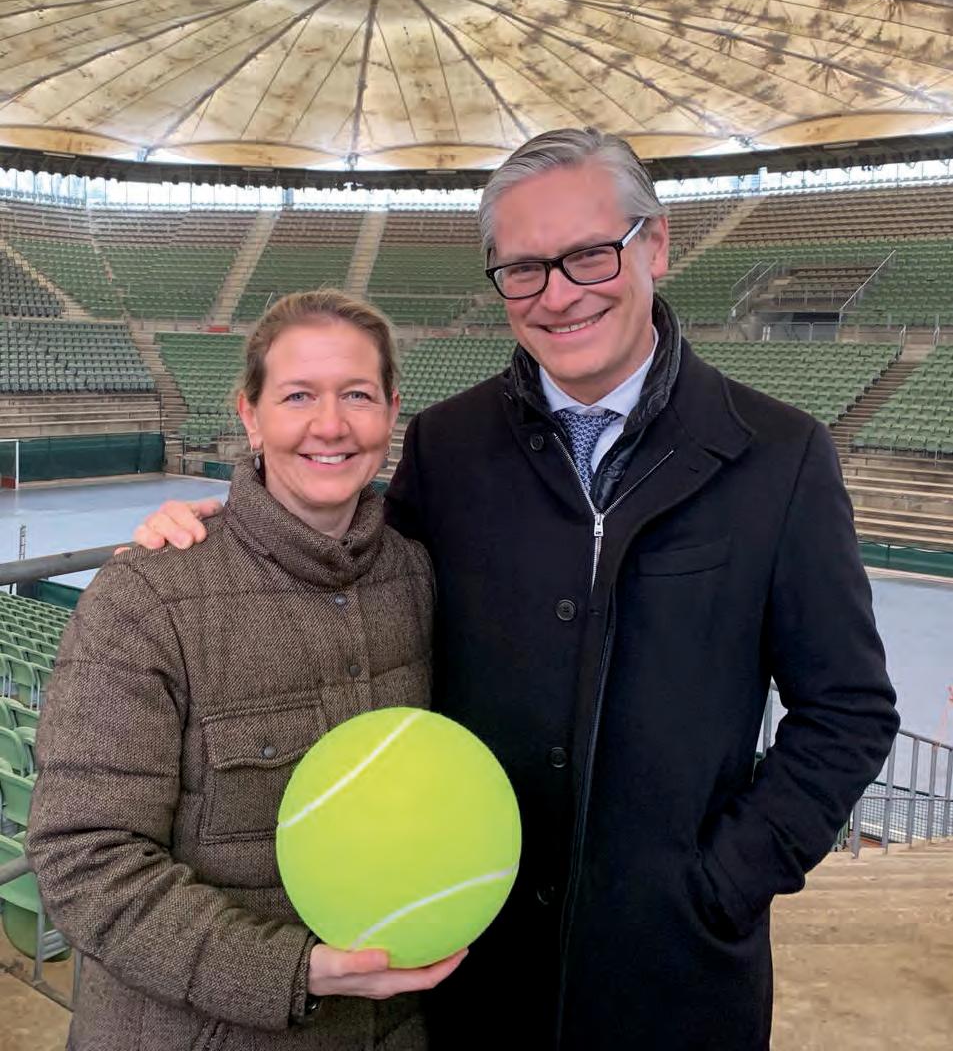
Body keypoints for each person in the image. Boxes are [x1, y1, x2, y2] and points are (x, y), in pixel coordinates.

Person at [130, 129, 900, 1050]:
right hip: (473, 977)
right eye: (524, 269)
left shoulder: (780, 456)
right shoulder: (448, 448)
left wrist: (725, 881)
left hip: (673, 982)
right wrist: (224, 529)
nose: (559, 293)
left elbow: (847, 709)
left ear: (654, 246)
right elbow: (348, 580)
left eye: (588, 254)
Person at [27, 290, 466, 1051]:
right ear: (251, 415)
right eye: (298, 396)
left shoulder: (420, 578)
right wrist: (298, 973)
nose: (329, 425)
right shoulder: (147, 597)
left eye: (356, 395)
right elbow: (83, 859)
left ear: (391, 413)